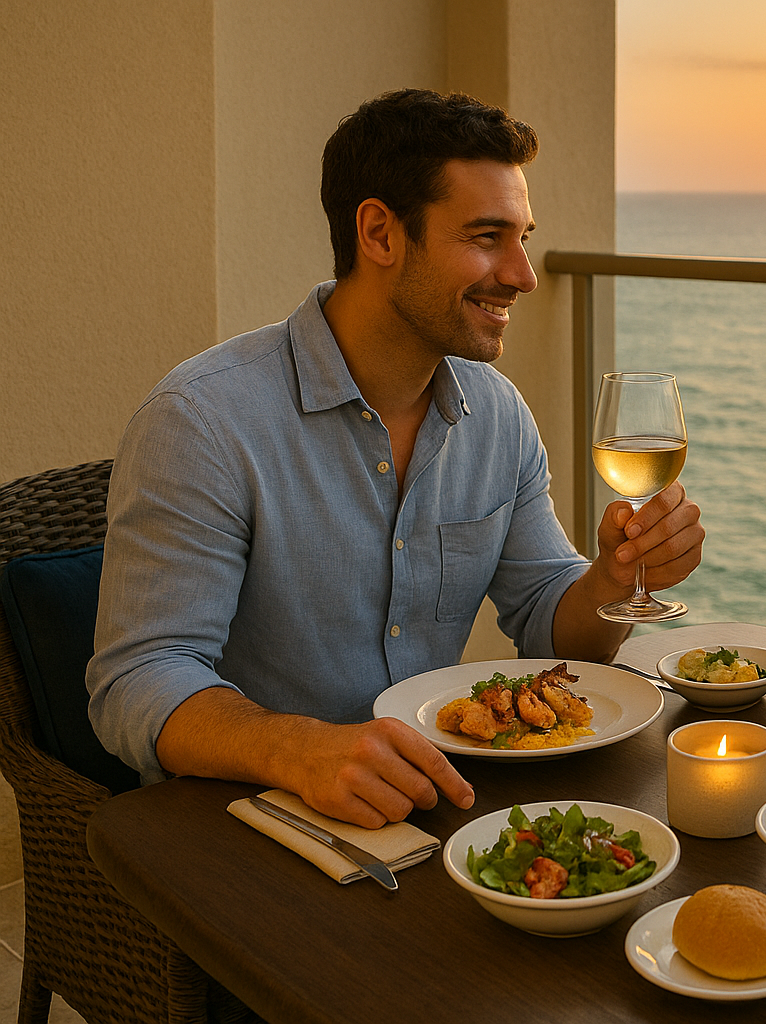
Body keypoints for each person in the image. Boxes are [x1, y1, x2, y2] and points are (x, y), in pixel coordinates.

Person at [87, 89, 705, 826]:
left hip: (439, 799)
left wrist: (614, 576)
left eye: (524, 238)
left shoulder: (498, 414)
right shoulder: (202, 422)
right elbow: (137, 678)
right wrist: (299, 750)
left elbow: (548, 622)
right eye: (485, 237)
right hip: (259, 819)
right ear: (379, 233)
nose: (522, 275)